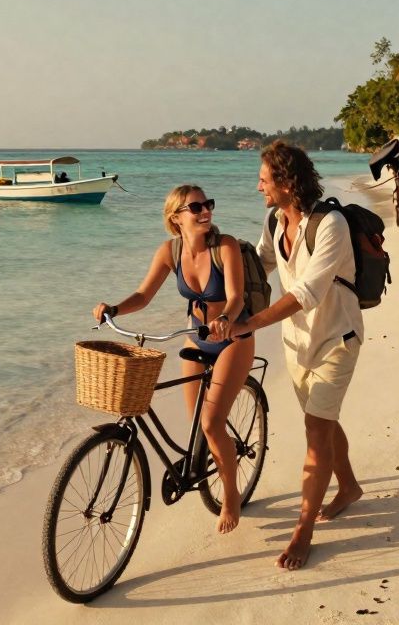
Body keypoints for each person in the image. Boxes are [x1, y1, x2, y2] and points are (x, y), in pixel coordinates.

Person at [222, 140, 364, 570]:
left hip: (337, 339)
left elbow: (307, 292)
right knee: (322, 421)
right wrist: (219, 288)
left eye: (264, 179)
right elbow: (261, 266)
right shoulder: (274, 219)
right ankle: (350, 488)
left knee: (316, 430)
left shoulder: (331, 224)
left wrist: (250, 324)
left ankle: (303, 530)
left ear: (286, 181)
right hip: (295, 343)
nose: (258, 186)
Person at [93, 184, 256, 534]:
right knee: (199, 423)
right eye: (195, 207)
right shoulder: (170, 251)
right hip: (195, 340)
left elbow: (237, 297)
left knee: (212, 424)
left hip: (233, 339)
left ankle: (230, 498)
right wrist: (114, 308)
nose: (205, 211)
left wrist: (225, 318)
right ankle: (208, 460)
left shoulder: (224, 246)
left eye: (207, 204)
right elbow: (144, 294)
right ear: (176, 217)